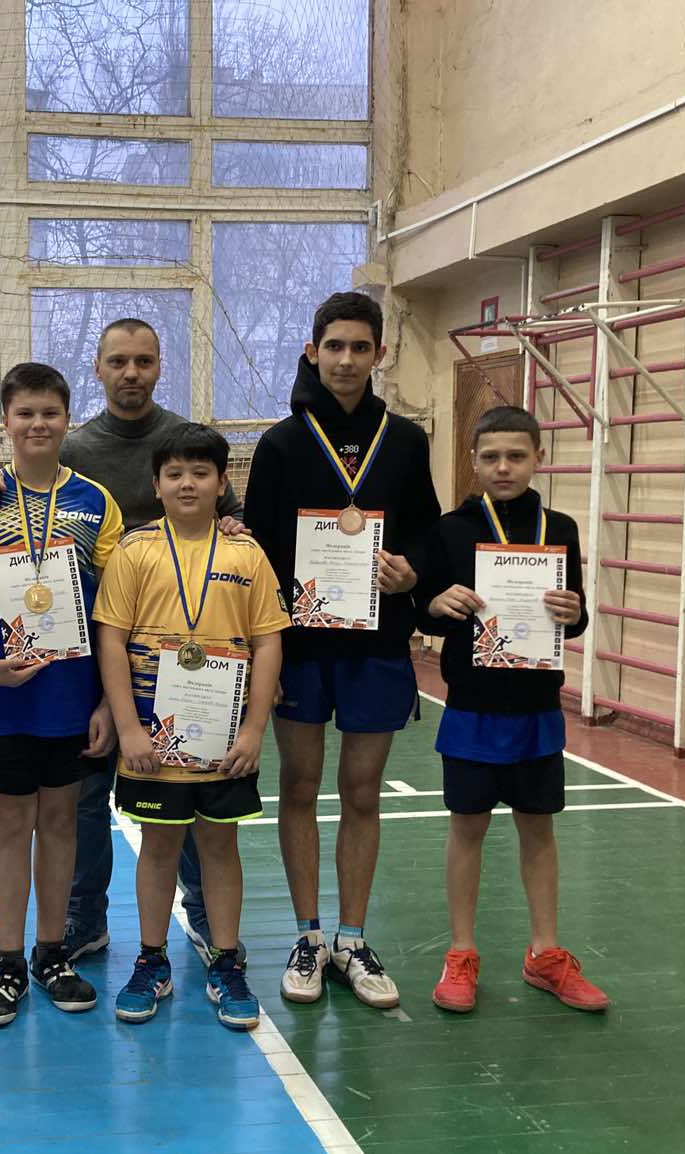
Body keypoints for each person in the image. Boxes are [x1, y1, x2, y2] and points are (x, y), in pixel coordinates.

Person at [0, 319, 246, 964]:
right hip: (95, 652)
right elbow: (27, 472)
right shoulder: (76, 447)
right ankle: (82, 918)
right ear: (98, 368)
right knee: (84, 801)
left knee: (185, 788)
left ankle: (203, 913)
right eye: (118, 361)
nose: (131, 373)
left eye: (144, 360)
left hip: (184, 654)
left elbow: (226, 516)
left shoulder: (183, 441)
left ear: (160, 365)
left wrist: (235, 525)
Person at [243, 290, 441, 1009]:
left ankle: (352, 938)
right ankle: (308, 936)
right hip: (299, 647)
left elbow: (426, 532)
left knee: (361, 791)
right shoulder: (280, 444)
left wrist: (412, 571)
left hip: (377, 644)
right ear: (312, 352)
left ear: (379, 354)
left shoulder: (407, 441)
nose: (347, 360)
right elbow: (260, 552)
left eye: (361, 347)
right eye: (335, 346)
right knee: (299, 786)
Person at [0, 362, 123, 1026]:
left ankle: (51, 953)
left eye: (50, 412)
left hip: (71, 694)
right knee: (9, 825)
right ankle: (8, 961)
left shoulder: (96, 502)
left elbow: (114, 614)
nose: (38, 424)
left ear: (68, 419)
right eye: (25, 413)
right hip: (3, 694)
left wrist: (107, 701)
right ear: (5, 421)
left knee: (61, 822)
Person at [413, 405, 608, 1013]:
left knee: (538, 829)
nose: (504, 467)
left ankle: (545, 953)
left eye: (516, 456)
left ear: (538, 460)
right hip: (471, 706)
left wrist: (575, 612)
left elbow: (574, 617)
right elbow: (423, 611)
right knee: (467, 827)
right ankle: (461, 952)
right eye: (491, 456)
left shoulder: (560, 528)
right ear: (473, 462)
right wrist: (436, 603)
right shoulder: (450, 530)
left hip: (536, 708)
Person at [94, 423, 287, 1030]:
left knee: (220, 847)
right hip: (154, 739)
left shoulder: (246, 553)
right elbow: (111, 640)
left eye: (200, 473)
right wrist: (128, 728)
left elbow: (269, 642)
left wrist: (254, 731)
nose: (187, 483)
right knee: (158, 847)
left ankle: (226, 962)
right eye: (174, 473)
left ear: (221, 483)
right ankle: (151, 960)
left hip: (225, 739)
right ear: (156, 484)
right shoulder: (134, 550)